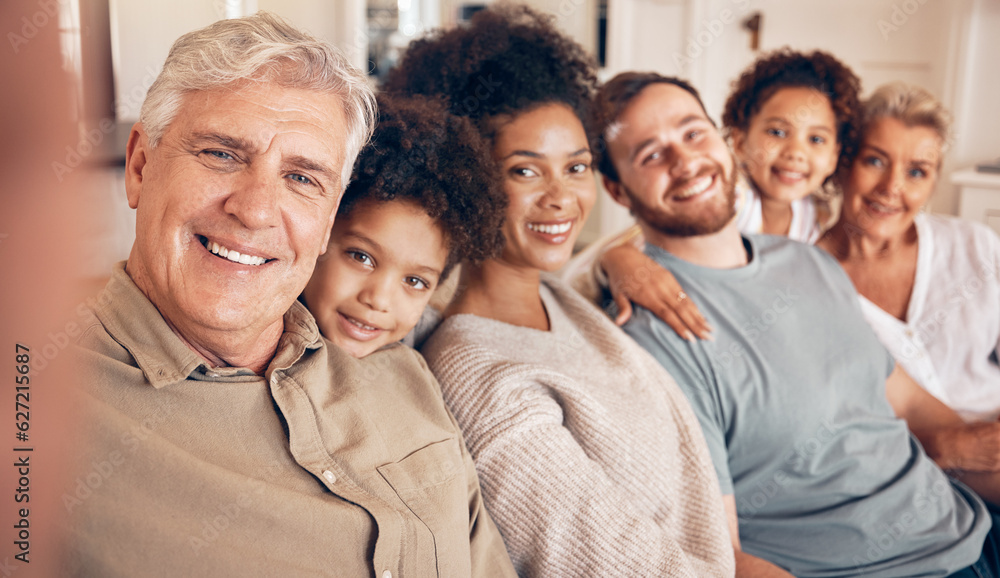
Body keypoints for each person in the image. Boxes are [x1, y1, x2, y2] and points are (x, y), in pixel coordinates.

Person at [63, 13, 516, 576]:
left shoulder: (403, 371)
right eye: (222, 154)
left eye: (303, 178)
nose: (253, 210)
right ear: (139, 165)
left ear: (328, 221)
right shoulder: (34, 413)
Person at [593, 70, 999, 577]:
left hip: (971, 526)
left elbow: (906, 399)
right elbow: (719, 552)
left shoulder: (808, 261)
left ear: (721, 140)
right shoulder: (654, 333)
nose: (685, 160)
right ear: (616, 188)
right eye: (651, 154)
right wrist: (615, 258)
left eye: (693, 132)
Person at [387, 5, 735, 576]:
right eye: (525, 171)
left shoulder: (559, 294)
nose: (562, 198)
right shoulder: (479, 379)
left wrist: (617, 258)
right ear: (468, 177)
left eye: (576, 167)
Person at [568, 49, 861, 339]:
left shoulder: (817, 215)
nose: (796, 153)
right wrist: (618, 260)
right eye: (777, 133)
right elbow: (592, 265)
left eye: (816, 139)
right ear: (739, 141)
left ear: (835, 155)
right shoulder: (729, 198)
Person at [817, 82, 1000, 470]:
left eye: (917, 172)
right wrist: (944, 446)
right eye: (876, 161)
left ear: (933, 182)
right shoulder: (808, 278)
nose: (892, 189)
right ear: (844, 163)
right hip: (904, 466)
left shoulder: (975, 246)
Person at [301, 94, 506, 358]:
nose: (379, 300)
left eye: (415, 281)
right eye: (361, 257)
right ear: (322, 229)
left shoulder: (418, 366)